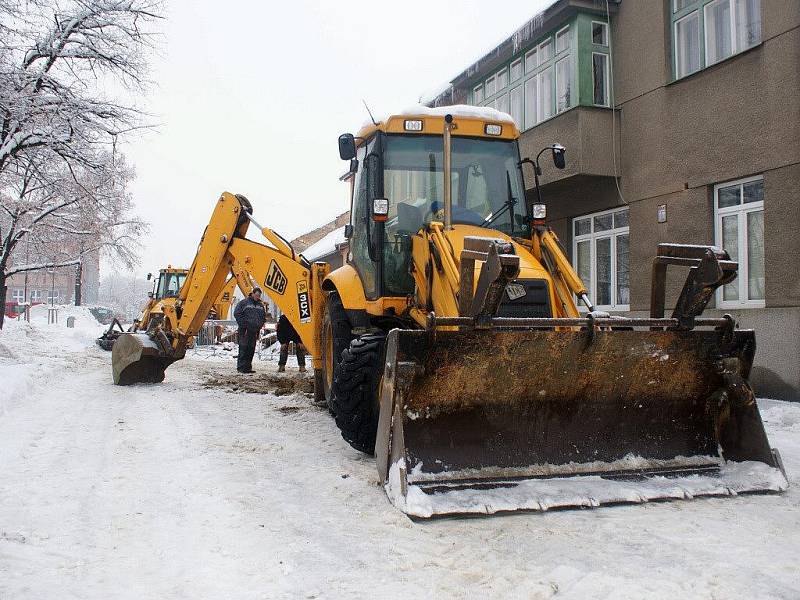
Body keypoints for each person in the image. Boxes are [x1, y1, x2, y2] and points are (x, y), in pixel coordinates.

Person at [233, 288, 267, 374]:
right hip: (245, 330)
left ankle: (248, 367)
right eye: (256, 295)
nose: (258, 297)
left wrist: (260, 325)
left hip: (254, 330)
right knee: (244, 347)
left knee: (251, 349)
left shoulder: (260, 305)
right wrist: (243, 324)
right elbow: (237, 313)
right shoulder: (244, 303)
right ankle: (241, 367)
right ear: (252, 294)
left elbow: (263, 316)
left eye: (259, 296)